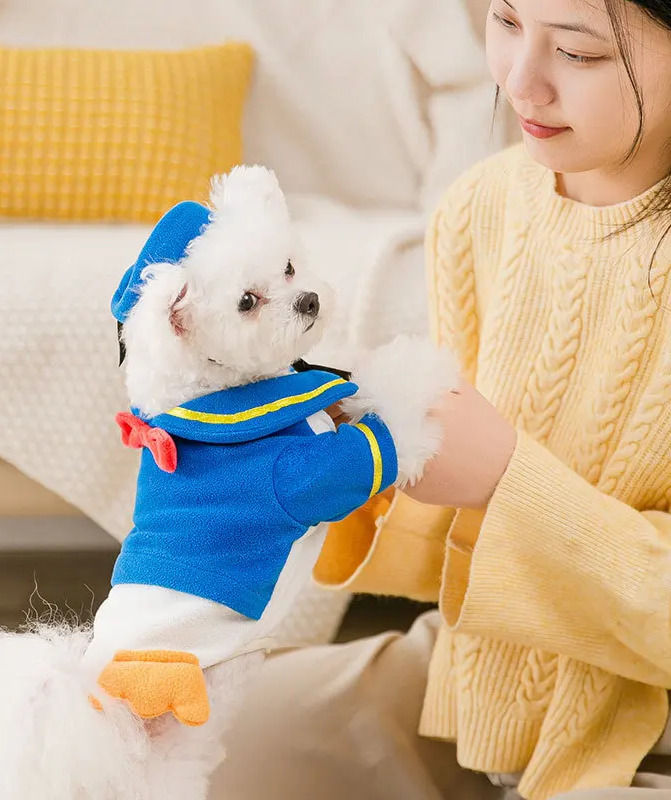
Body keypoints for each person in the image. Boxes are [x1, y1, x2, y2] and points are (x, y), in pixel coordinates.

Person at [208, 1, 671, 798]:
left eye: (579, 54)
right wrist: (373, 466)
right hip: (481, 688)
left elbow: (505, 489)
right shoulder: (481, 206)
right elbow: (468, 543)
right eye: (506, 21)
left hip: (646, 729)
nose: (521, 83)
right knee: (185, 738)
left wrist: (508, 481)